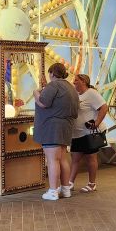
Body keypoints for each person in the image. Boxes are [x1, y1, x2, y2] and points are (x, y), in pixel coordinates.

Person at [33, 63, 79, 200]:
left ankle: (53, 191)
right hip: (66, 126)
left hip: (52, 127)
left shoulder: (54, 85)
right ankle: (65, 189)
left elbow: (43, 102)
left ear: (52, 73)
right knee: (63, 159)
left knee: (52, 159)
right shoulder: (70, 87)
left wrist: (36, 93)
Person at [68, 73, 108, 193]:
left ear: (83, 81)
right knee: (75, 158)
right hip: (77, 133)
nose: (74, 82)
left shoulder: (91, 93)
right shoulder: (76, 95)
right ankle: (70, 183)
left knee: (91, 157)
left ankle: (92, 184)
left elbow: (104, 107)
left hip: (88, 133)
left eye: (76, 80)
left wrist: (96, 123)